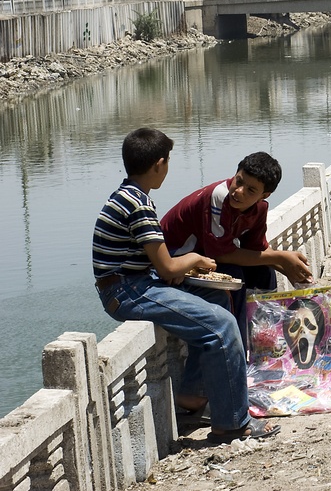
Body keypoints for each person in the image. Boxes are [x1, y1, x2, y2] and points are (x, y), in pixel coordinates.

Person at [93, 128, 280, 443]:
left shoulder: (129, 195)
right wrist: (195, 259)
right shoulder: (139, 205)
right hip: (127, 291)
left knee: (217, 298)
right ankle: (232, 424)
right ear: (159, 164)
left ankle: (193, 394)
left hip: (134, 283)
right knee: (222, 326)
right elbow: (166, 266)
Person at [161, 152, 313, 346]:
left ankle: (263, 340)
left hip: (205, 257)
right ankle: (240, 349)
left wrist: (289, 269)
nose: (239, 191)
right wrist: (282, 257)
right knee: (234, 276)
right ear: (235, 174)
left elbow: (257, 249)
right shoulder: (219, 197)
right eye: (238, 181)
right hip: (175, 258)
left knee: (264, 271)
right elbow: (222, 255)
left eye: (250, 190)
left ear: (264, 196)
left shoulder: (259, 209)